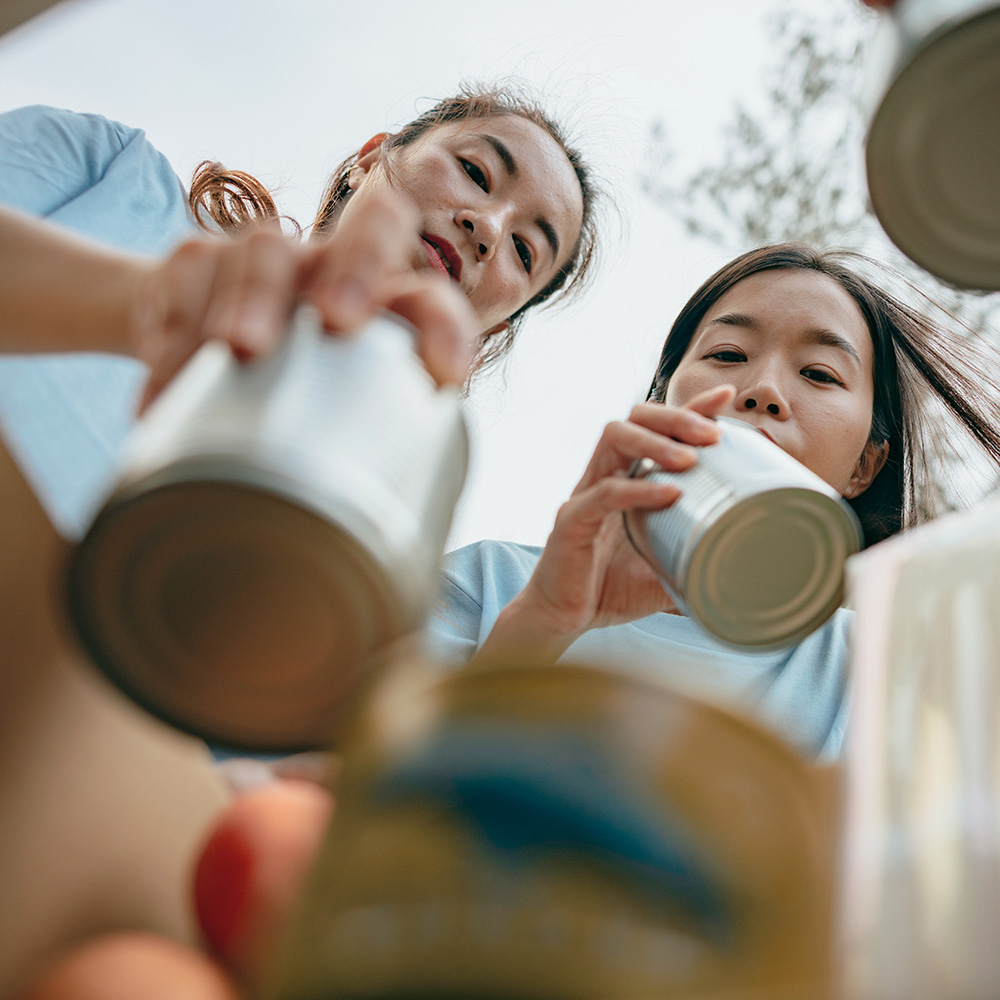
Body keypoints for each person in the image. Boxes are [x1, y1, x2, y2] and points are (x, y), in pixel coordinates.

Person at [426, 243, 1000, 760]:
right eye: (727, 355)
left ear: (865, 466)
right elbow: (364, 806)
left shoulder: (890, 678)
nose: (764, 391)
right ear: (665, 402)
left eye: (820, 373)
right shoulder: (488, 585)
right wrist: (543, 623)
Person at [0, 88, 598, 535]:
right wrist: (144, 301)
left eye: (524, 251)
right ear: (373, 158)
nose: (487, 227)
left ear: (496, 326)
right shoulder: (113, 172)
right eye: (475, 172)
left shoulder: (373, 521)